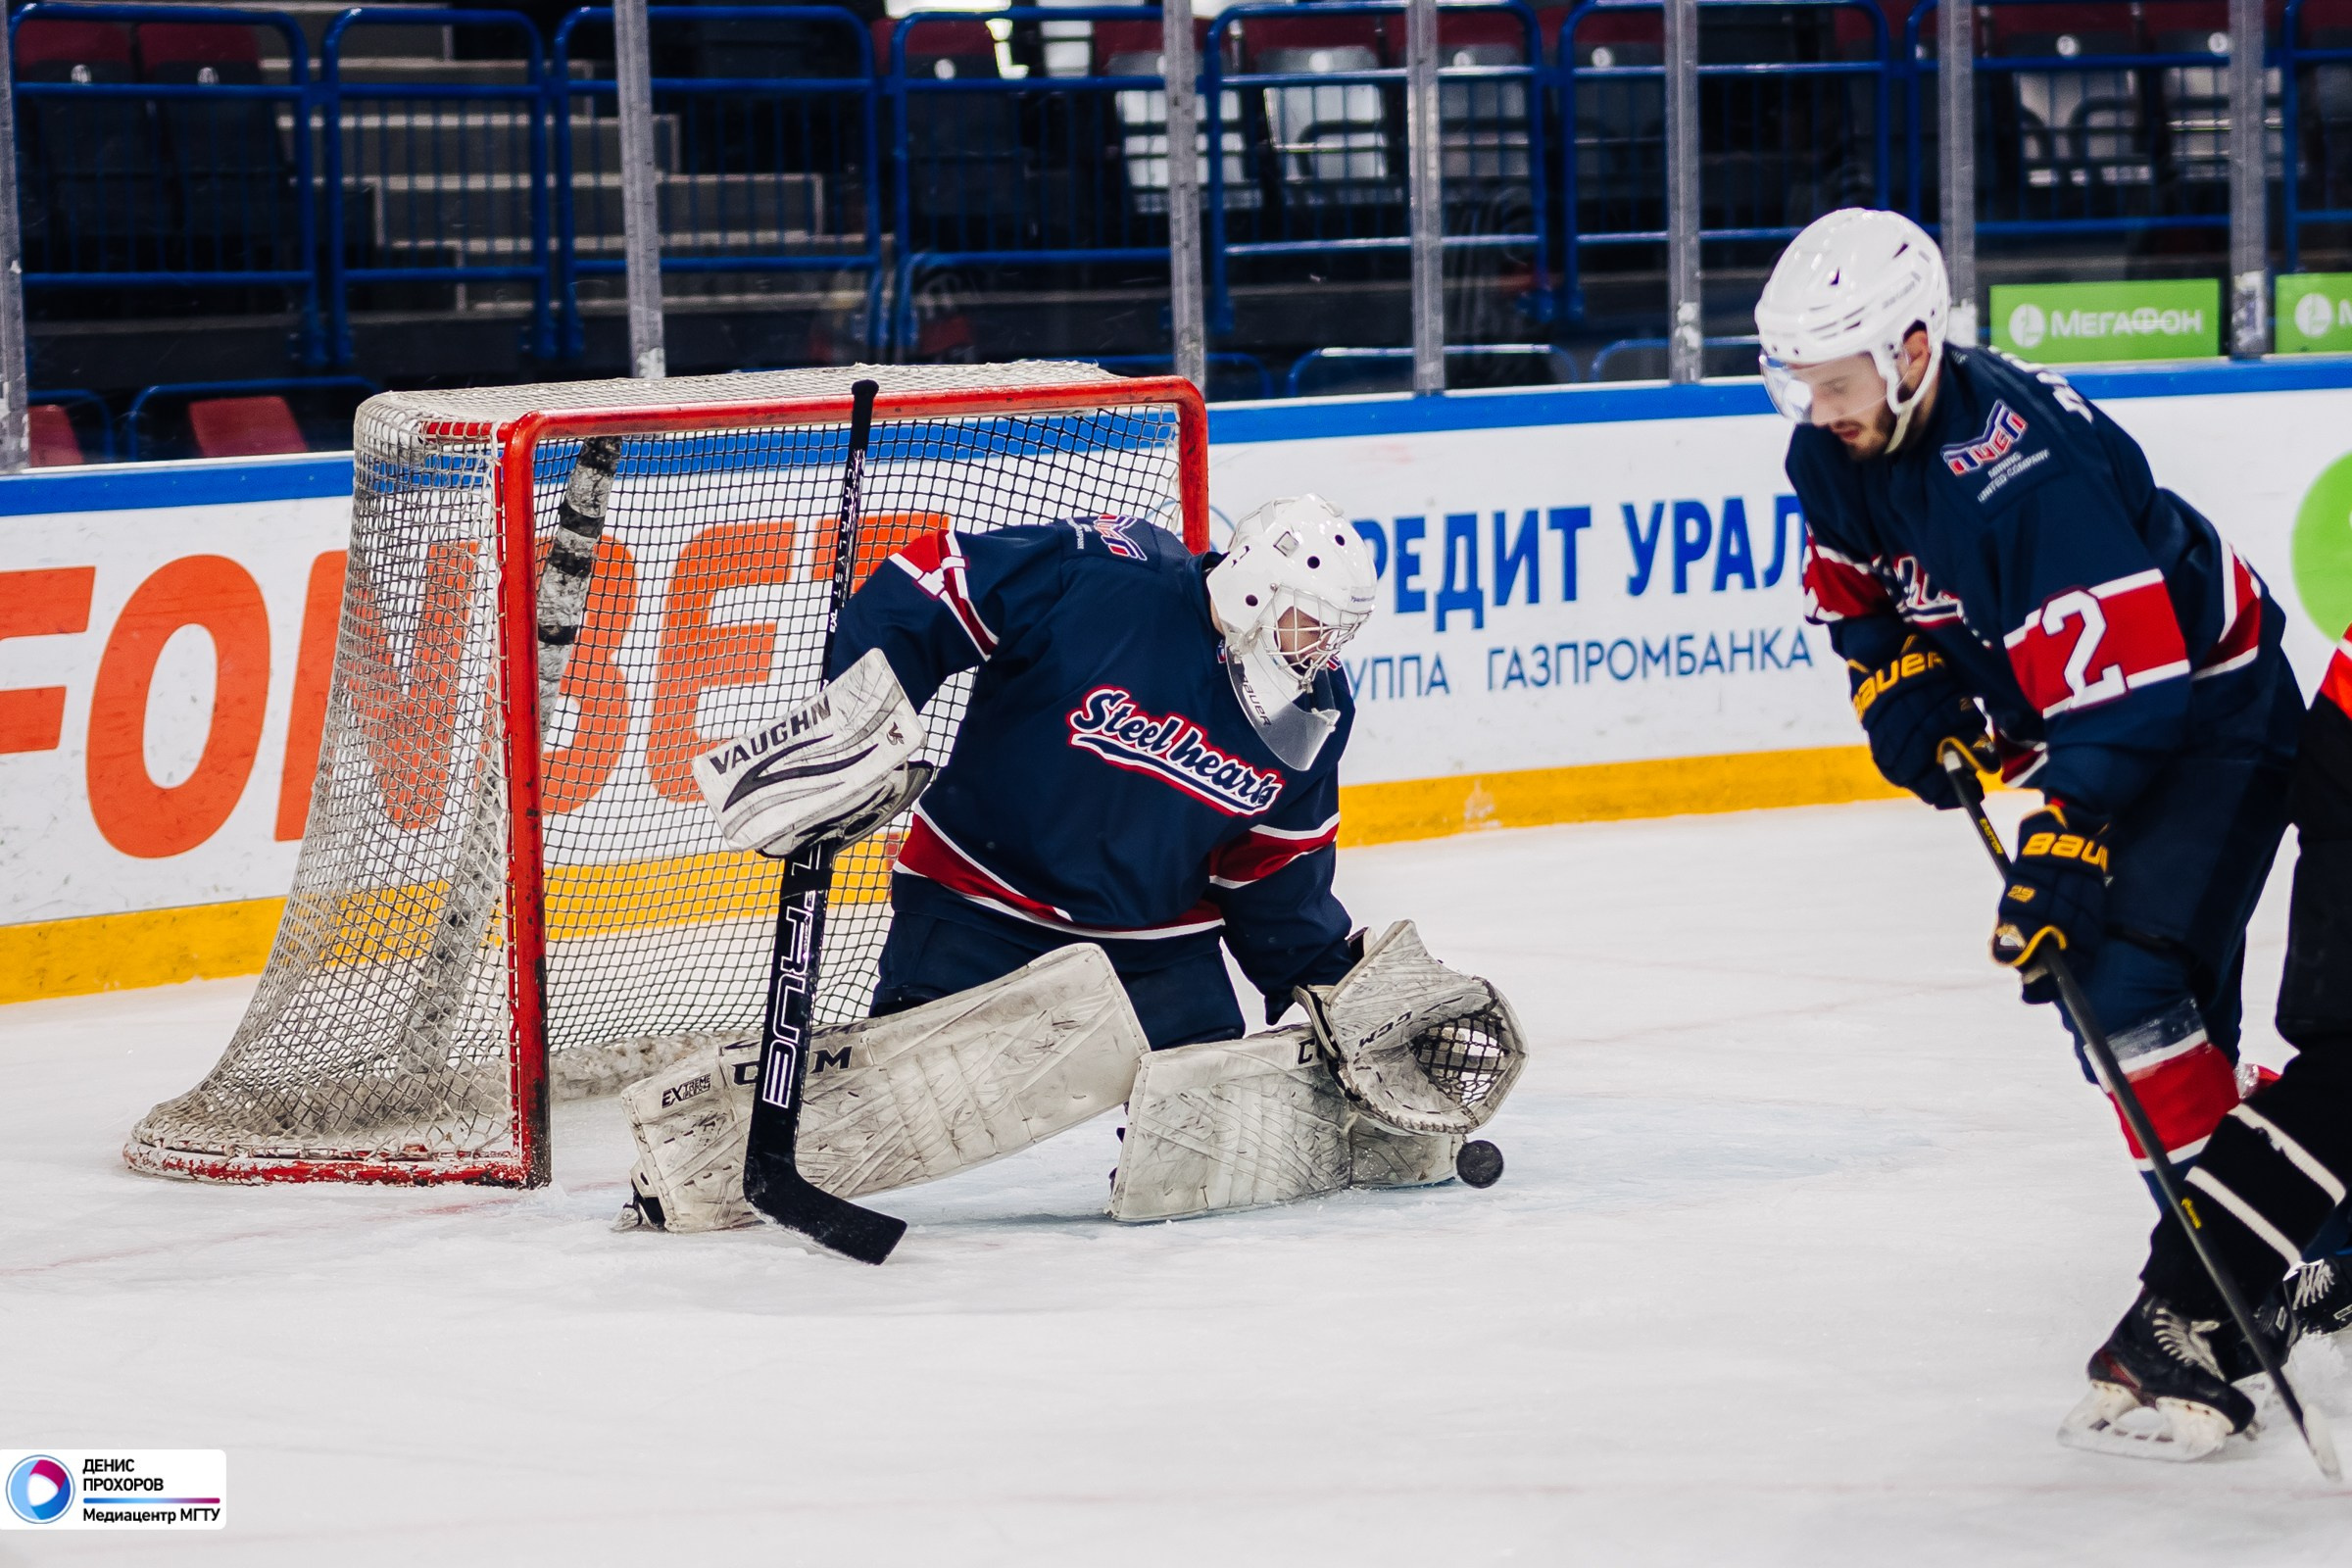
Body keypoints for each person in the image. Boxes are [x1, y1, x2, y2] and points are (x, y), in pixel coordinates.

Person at [1756, 208, 2311, 1455]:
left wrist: (2071, 830)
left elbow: (2132, 684)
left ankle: (2214, 1294)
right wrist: (1895, 682)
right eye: (1799, 382)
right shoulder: (1835, 449)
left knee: (2123, 985)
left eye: (1835, 382)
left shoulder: (2019, 470)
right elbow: (1858, 594)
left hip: (2212, 716)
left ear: (1910, 351)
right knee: (2153, 1014)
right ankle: (2297, 1226)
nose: (1815, 408)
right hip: (2112, 724)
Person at [620, 496, 1526, 1233]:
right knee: (890, 1095)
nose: (1319, 652)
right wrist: (865, 709)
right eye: (1307, 625)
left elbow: (1271, 869)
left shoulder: (1312, 711)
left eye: (1335, 635)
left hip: (1154, 949)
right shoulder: (1108, 579)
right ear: (1255, 589)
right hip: (978, 899)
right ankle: (687, 1161)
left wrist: (1327, 980)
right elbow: (939, 582)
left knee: (1221, 1107)